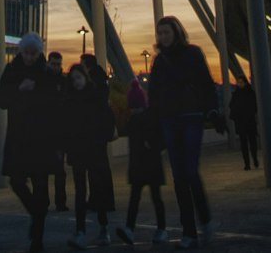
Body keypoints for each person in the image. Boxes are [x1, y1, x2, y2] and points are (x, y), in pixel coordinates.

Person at [147, 16, 217, 250]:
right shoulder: (159, 61)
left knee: (189, 171)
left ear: (177, 32)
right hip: (169, 120)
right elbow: (154, 96)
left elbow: (206, 83)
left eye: (167, 32)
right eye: (160, 34)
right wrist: (153, 125)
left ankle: (205, 220)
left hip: (191, 117)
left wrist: (212, 110)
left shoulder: (193, 54)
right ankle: (189, 231)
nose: (163, 37)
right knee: (178, 176)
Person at [0, 32, 58, 253]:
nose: (30, 57)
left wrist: (35, 93)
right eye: (26, 53)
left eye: (33, 53)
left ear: (39, 52)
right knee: (17, 180)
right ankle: (36, 213)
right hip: (19, 136)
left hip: (40, 137)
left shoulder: (47, 74)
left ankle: (37, 238)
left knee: (40, 186)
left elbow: (54, 102)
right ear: (21, 52)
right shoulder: (12, 71)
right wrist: (19, 90)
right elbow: (1, 100)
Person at [62, 59, 116, 248]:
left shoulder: (96, 97)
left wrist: (102, 139)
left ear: (85, 78)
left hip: (94, 150)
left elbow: (107, 120)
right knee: (80, 192)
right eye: (74, 79)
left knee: (97, 188)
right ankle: (81, 230)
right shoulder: (69, 101)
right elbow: (64, 128)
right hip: (78, 151)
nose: (76, 81)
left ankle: (103, 228)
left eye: (79, 77)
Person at [116, 79, 168, 246]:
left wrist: (151, 144)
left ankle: (135, 228)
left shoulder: (139, 120)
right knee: (151, 197)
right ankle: (157, 228)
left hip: (144, 164)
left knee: (141, 198)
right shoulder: (140, 118)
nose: (134, 109)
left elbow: (159, 139)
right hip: (146, 165)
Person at [47, 49, 70, 211]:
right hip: (49, 131)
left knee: (59, 170)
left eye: (58, 65)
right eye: (54, 64)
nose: (56, 67)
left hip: (59, 132)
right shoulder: (46, 81)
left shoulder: (64, 82)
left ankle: (60, 202)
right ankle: (52, 202)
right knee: (48, 170)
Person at [229, 79, 259, 169]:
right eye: (238, 82)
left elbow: (254, 106)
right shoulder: (236, 94)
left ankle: (254, 158)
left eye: (241, 82)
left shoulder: (250, 93)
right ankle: (247, 163)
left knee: (252, 142)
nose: (239, 84)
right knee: (244, 143)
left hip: (249, 121)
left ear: (245, 83)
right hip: (242, 122)